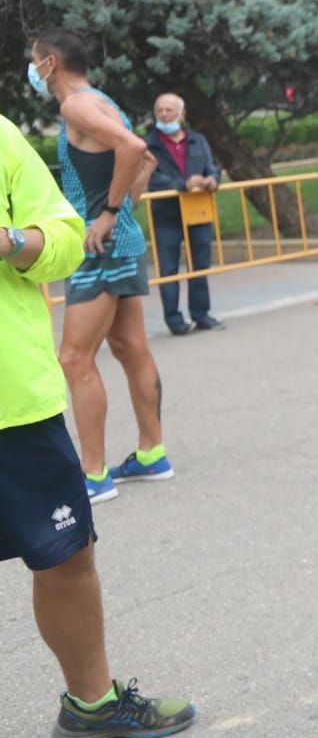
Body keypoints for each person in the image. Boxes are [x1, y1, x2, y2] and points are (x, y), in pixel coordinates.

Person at [1, 112, 197, 738]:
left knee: (66, 554)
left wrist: (9, 241)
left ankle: (92, 705)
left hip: (14, 402)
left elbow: (61, 235)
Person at [29, 29, 170, 504]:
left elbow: (133, 150)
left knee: (74, 357)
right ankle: (153, 455)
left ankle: (93, 475)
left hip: (98, 248)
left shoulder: (75, 107)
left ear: (50, 64)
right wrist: (121, 212)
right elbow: (144, 158)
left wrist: (107, 215)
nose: (31, 70)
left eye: (34, 61)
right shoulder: (104, 100)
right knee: (131, 347)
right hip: (121, 242)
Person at [144, 93, 224, 335]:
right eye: (160, 110)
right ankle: (175, 320)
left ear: (182, 114)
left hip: (197, 210)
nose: (164, 115)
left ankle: (201, 314)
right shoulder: (149, 144)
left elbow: (212, 165)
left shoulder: (197, 141)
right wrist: (183, 184)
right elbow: (152, 178)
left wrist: (212, 179)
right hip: (166, 214)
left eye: (169, 110)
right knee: (168, 269)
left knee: (199, 264)